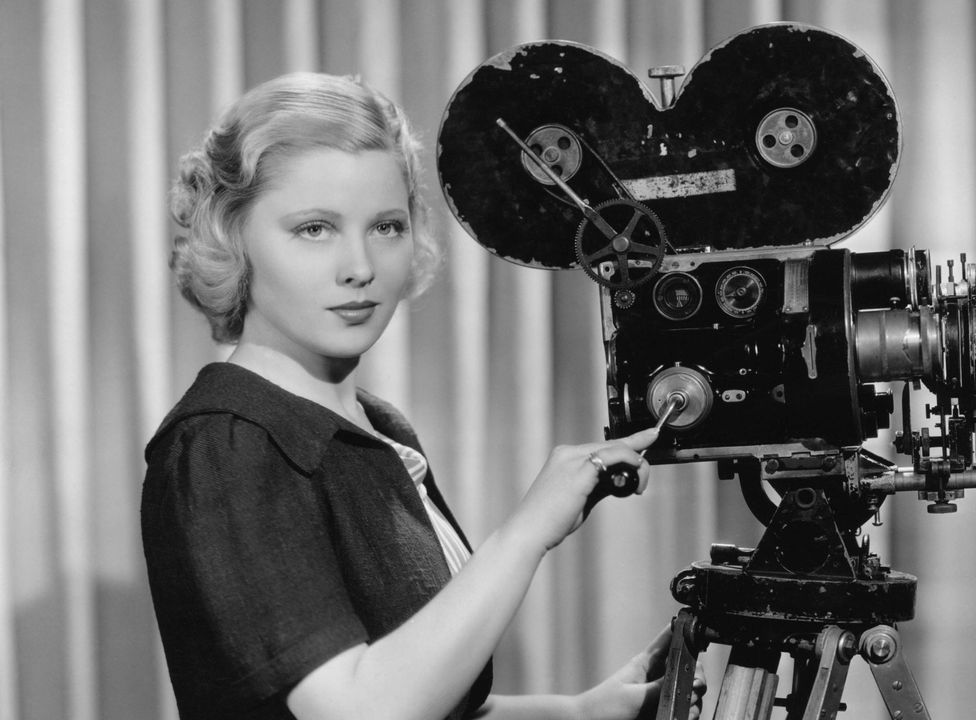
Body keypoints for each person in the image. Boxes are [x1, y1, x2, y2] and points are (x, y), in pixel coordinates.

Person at [142, 72, 704, 720]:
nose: (359, 265)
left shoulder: (377, 425)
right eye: (314, 229)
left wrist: (583, 712)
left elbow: (437, 703)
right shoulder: (227, 444)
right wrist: (524, 535)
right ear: (232, 237)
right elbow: (360, 711)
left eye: (385, 226)